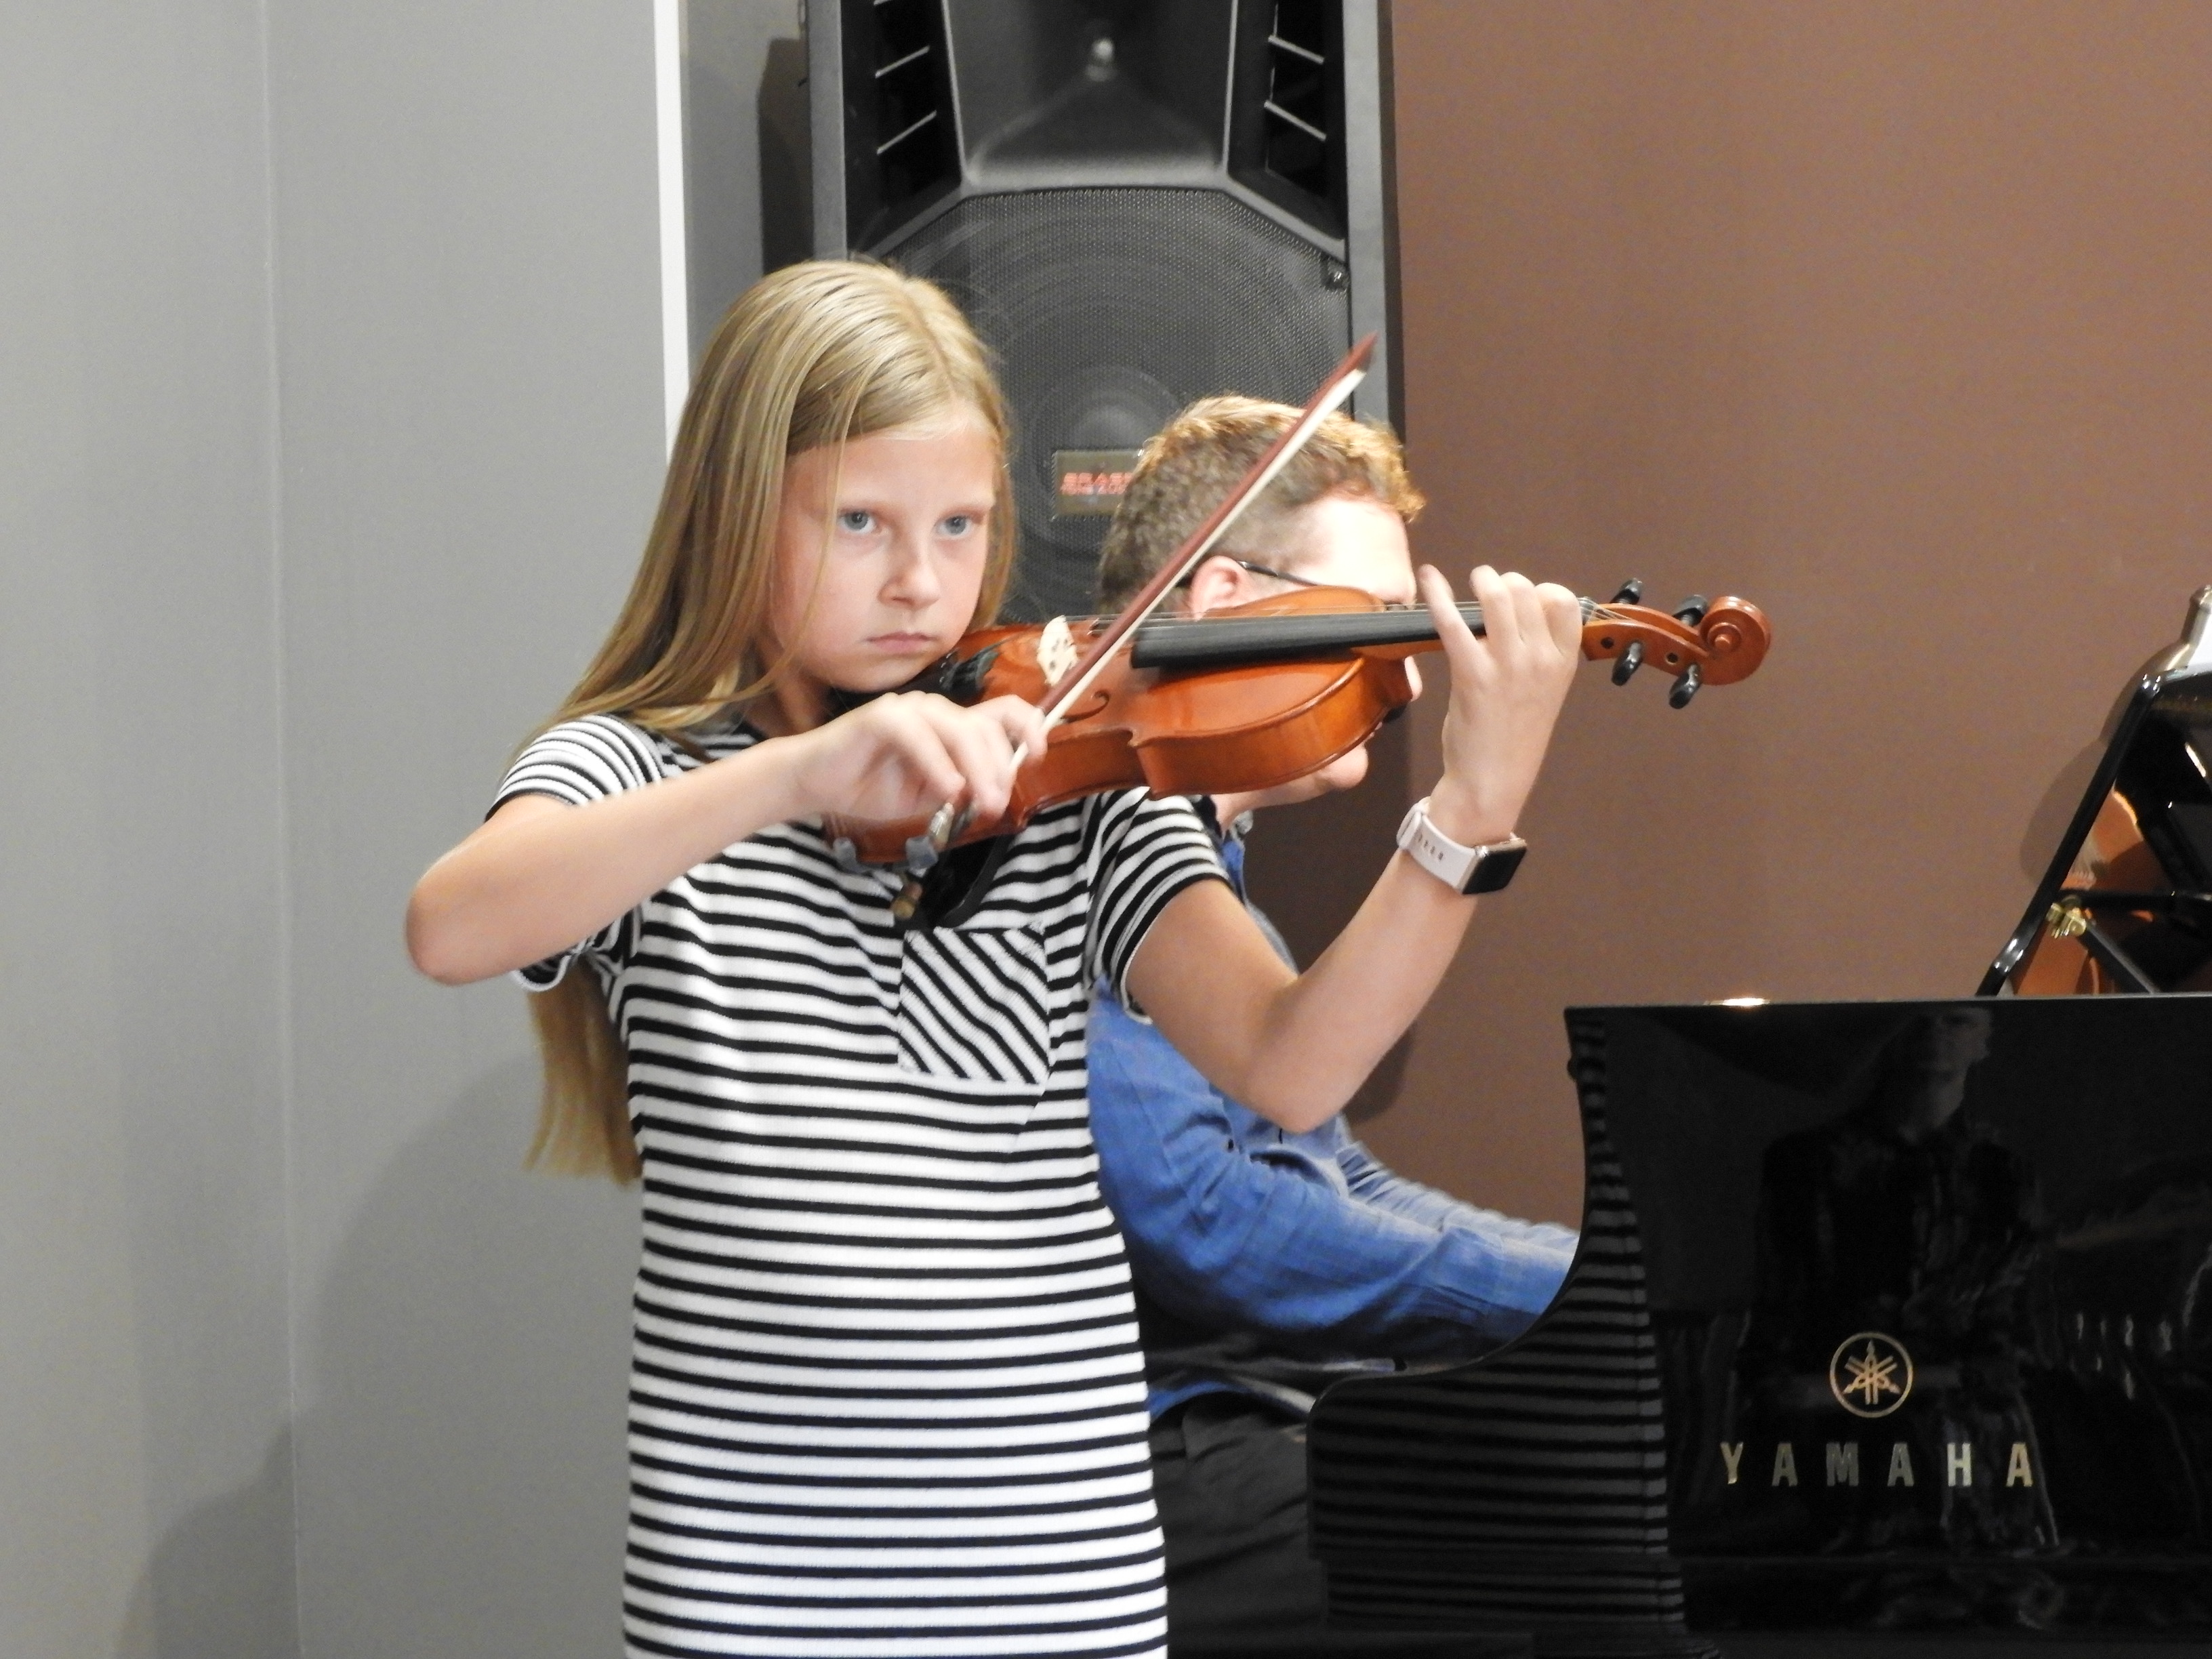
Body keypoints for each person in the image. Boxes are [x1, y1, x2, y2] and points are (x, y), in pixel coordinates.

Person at [404, 262, 1583, 1659]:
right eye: (861, 522)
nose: (922, 581)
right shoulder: (637, 778)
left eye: (960, 525)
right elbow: (455, 926)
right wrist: (791, 777)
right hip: (753, 1599)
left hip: (1061, 1590)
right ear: (737, 513)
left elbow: (1294, 1063)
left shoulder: (1071, 788)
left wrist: (1470, 813)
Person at [1087, 397, 1580, 1654]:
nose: (1404, 676)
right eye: (1372, 622)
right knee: (1599, 1526)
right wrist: (1568, 1301)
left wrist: (1592, 1275)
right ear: (1221, 601)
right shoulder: (1086, 843)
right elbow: (1214, 1225)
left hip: (1254, 1415)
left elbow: (1333, 1174)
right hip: (1135, 1464)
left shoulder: (1214, 880)